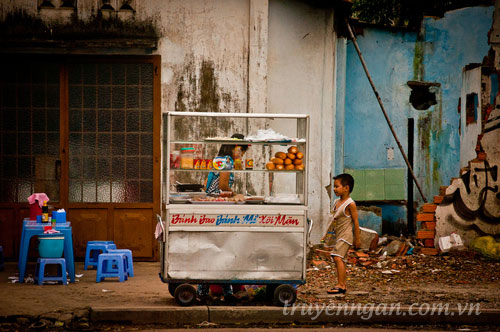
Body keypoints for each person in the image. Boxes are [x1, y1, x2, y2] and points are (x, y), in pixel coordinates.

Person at [198, 133, 248, 303]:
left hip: (212, 204)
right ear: (236, 148)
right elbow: (222, 185)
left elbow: (207, 185)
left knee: (214, 248)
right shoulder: (227, 161)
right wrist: (236, 194)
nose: (242, 154)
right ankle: (226, 292)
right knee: (224, 247)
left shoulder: (219, 159)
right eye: (242, 150)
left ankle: (203, 291)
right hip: (218, 208)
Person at [322, 173, 360, 295]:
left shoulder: (350, 204)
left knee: (337, 257)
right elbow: (333, 221)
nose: (334, 189)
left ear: (346, 188)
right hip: (338, 235)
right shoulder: (336, 202)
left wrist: (357, 239)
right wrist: (326, 236)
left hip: (346, 236)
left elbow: (355, 221)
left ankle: (341, 285)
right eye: (334, 186)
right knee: (340, 259)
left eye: (337, 186)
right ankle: (342, 285)